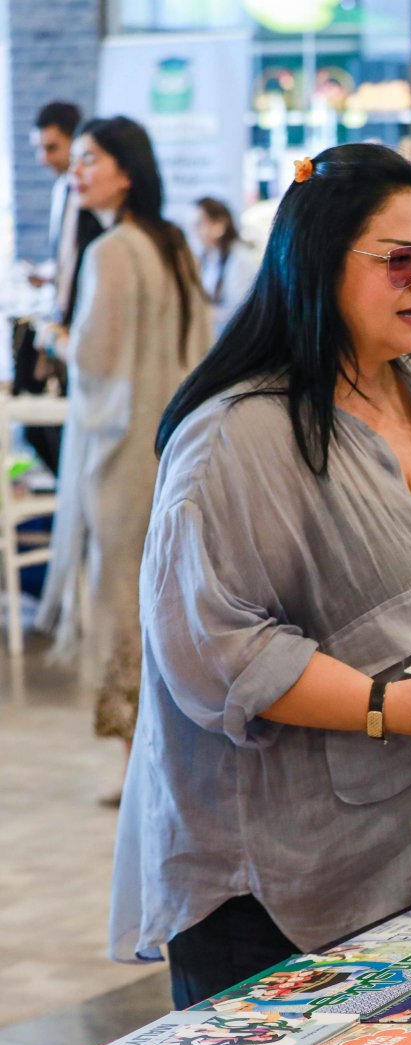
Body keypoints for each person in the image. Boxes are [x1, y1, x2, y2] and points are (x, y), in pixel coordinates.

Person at [110, 144, 411, 1008]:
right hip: (276, 883)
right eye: (399, 261)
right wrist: (383, 706)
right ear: (318, 261)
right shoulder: (238, 434)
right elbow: (216, 646)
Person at [32, 117, 209, 769]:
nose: (77, 172)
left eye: (90, 160)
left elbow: (96, 360)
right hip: (174, 446)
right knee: (164, 594)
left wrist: (56, 338)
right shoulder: (172, 244)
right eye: (74, 161)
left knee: (120, 594)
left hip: (122, 452)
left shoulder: (111, 252)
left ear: (127, 170)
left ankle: (136, 746)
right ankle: (165, 741)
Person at [16, 101, 103, 475]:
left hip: (85, 332)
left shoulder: (92, 197)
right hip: (64, 324)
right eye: (38, 148)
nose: (42, 157)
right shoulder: (62, 192)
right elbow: (71, 256)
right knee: (41, 427)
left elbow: (93, 263)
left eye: (51, 147)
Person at [193, 196, 260, 332]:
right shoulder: (206, 258)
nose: (194, 231)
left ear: (219, 225)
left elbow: (240, 310)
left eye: (199, 224)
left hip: (234, 339)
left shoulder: (241, 259)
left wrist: (206, 314)